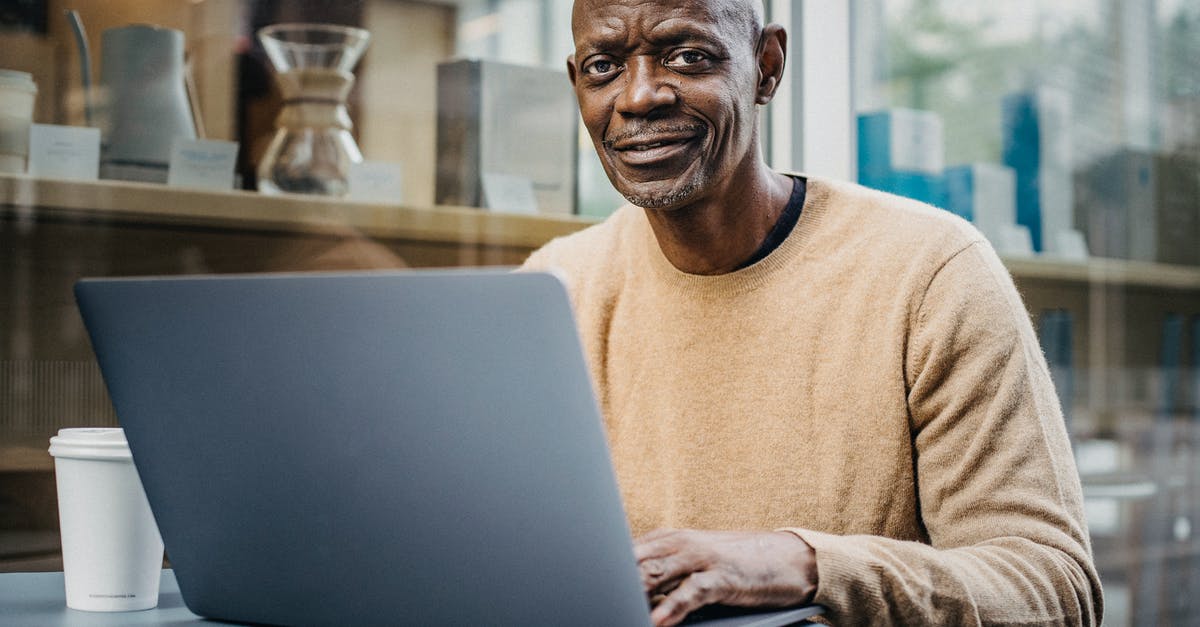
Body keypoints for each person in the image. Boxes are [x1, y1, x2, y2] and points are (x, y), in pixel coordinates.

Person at [520, 0, 1104, 625]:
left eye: (688, 57)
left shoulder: (931, 270)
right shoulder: (555, 290)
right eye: (603, 67)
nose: (638, 97)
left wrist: (808, 565)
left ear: (766, 66)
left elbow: (1053, 588)